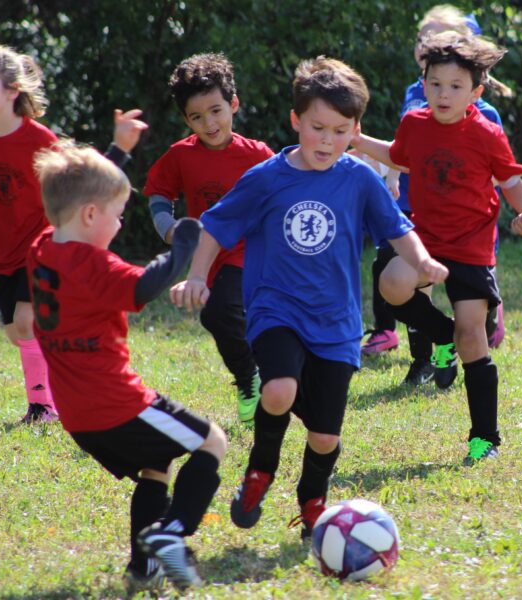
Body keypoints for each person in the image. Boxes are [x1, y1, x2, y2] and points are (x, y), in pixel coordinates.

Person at [170, 57, 448, 538]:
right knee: (279, 390)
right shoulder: (267, 176)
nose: (327, 140)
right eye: (317, 127)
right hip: (276, 309)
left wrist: (422, 262)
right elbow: (214, 227)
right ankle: (259, 472)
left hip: (337, 321)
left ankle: (312, 501)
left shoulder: (359, 179)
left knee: (325, 435)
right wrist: (198, 276)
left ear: (356, 130)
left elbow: (398, 229)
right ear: (296, 120)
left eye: (341, 131)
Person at [28, 142, 227, 591]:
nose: (120, 226)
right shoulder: (97, 266)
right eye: (118, 215)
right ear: (91, 216)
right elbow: (146, 285)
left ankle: (143, 568)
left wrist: (114, 155)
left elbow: (71, 202)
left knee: (158, 464)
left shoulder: (42, 248)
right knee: (212, 442)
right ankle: (170, 533)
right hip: (118, 405)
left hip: (78, 418)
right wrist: (184, 245)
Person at [352, 31, 522, 465]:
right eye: (435, 84)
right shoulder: (414, 123)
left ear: (475, 93)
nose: (444, 94)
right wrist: (360, 142)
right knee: (391, 284)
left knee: (473, 335)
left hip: (472, 245)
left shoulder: (486, 133)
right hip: (427, 240)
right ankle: (441, 335)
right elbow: (400, 157)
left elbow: (510, 180)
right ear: (423, 85)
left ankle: (484, 438)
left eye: (455, 87)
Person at [0, 44, 146, 424]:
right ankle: (63, 384)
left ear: (12, 91)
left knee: (26, 321)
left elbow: (78, 179)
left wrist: (118, 149)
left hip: (44, 244)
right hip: (3, 252)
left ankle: (42, 407)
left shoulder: (39, 138)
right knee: (16, 330)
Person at [362, 5, 513, 389]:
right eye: (422, 39)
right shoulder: (416, 95)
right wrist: (392, 175)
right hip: (417, 208)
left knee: (470, 311)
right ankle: (424, 358)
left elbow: (497, 170)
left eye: (439, 38)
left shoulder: (485, 114)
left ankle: (474, 331)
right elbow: (403, 147)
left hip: (467, 223)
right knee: (408, 282)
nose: (426, 45)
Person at [144, 53, 273, 425]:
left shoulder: (258, 155)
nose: (209, 123)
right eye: (197, 117)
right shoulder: (180, 156)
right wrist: (169, 229)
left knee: (219, 312)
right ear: (186, 119)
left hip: (249, 252)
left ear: (233, 104)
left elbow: (278, 200)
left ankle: (252, 379)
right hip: (208, 254)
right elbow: (158, 194)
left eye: (216, 111)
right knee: (218, 319)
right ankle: (252, 377)